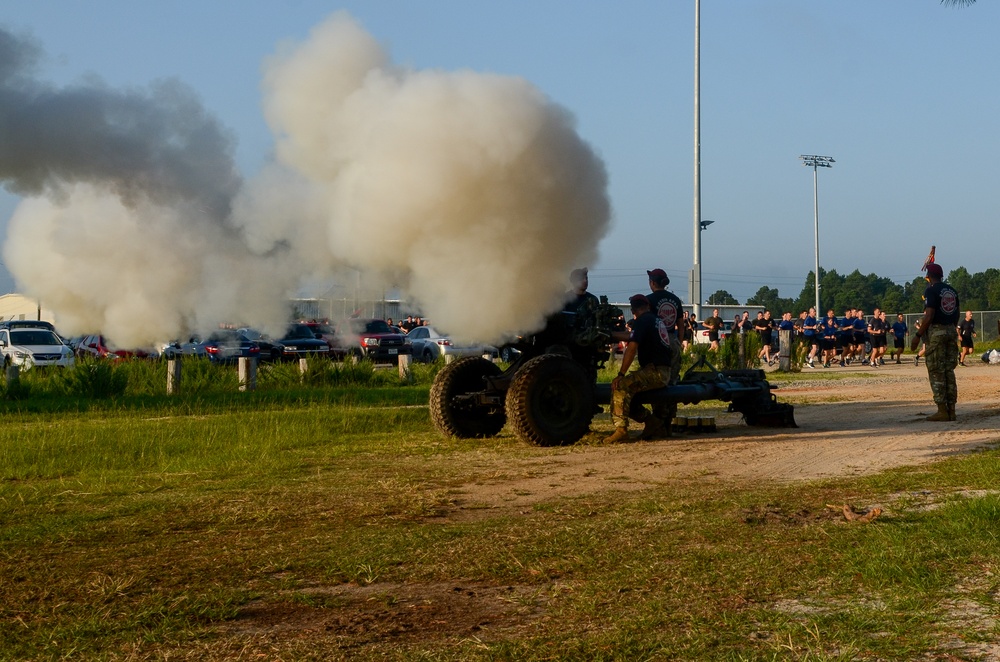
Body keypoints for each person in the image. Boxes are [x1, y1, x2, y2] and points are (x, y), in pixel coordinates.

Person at [605, 294, 674, 443]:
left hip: (655, 372)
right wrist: (612, 335)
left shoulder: (642, 322)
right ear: (647, 306)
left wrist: (621, 374)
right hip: (663, 370)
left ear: (633, 311)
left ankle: (621, 430)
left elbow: (632, 347)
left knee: (621, 387)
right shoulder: (654, 320)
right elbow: (633, 335)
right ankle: (653, 423)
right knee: (632, 392)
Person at [910, 262, 960, 421]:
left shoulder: (931, 291)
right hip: (951, 331)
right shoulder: (951, 291)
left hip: (936, 333)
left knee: (936, 370)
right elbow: (957, 313)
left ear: (929, 277)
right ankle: (951, 410)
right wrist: (951, 329)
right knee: (948, 371)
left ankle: (941, 411)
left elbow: (929, 316)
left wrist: (918, 335)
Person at [645, 268, 684, 429]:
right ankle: (670, 419)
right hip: (673, 340)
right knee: (672, 381)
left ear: (653, 282)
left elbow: (647, 323)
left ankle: (659, 419)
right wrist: (679, 342)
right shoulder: (675, 299)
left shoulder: (649, 300)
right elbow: (681, 324)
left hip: (657, 342)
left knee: (657, 381)